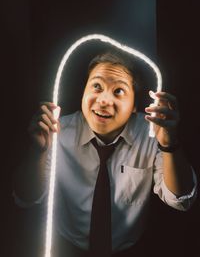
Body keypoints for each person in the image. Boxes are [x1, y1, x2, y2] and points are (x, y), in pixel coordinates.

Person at [13, 49, 197, 257]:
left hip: (130, 250)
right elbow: (25, 198)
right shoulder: (56, 132)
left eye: (118, 91)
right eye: (97, 86)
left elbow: (181, 200)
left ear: (135, 105)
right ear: (84, 91)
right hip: (67, 248)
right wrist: (38, 152)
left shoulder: (152, 134)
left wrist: (169, 145)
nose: (104, 100)